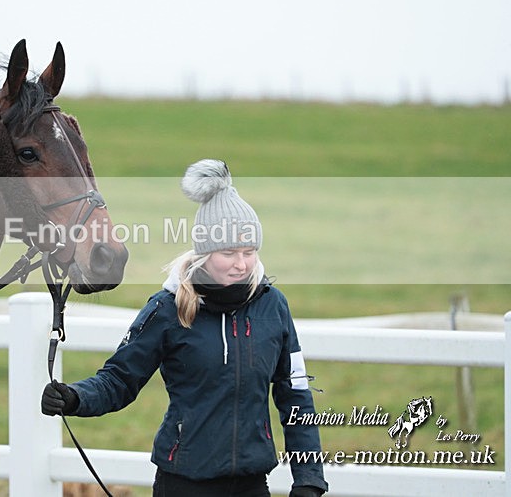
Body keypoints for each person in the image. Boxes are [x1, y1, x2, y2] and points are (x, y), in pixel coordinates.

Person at [42, 159, 328, 497]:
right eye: (229, 252)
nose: (242, 264)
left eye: (249, 252)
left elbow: (295, 397)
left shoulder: (273, 306)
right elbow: (120, 379)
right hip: (182, 483)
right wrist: (75, 398)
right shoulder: (167, 308)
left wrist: (308, 479)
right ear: (205, 253)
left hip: (252, 484)